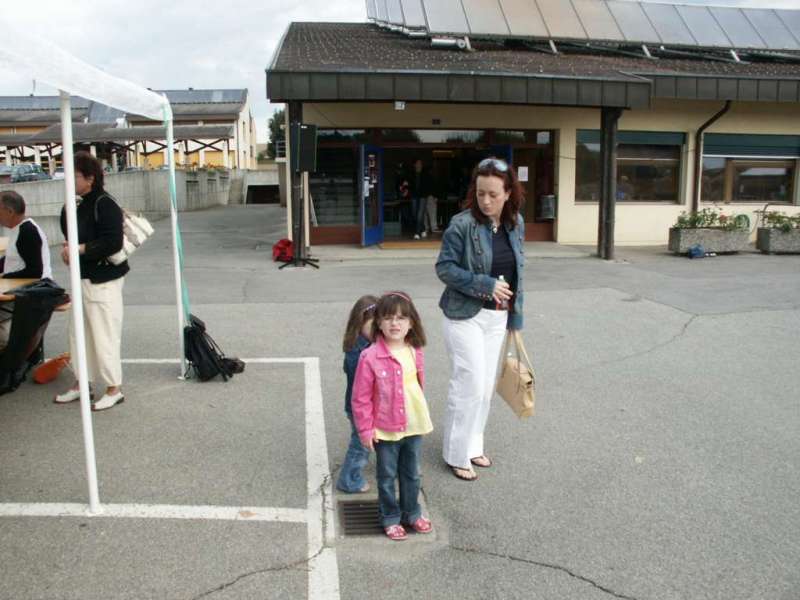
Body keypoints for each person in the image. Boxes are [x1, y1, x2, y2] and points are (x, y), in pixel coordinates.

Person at [435, 157, 525, 481]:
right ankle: (455, 454)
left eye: (493, 194)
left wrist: (516, 317)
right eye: (480, 193)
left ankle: (473, 446)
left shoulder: (516, 224)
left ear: (508, 193)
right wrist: (486, 285)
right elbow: (444, 268)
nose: (485, 201)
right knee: (469, 383)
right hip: (463, 316)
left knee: (485, 388)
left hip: (496, 319)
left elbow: (519, 274)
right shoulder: (461, 224)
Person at [351, 291, 434, 541]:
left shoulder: (414, 349)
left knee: (412, 473)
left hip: (414, 423)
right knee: (386, 475)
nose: (394, 323)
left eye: (401, 318)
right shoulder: (370, 356)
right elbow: (361, 398)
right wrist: (365, 431)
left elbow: (416, 385)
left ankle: (412, 512)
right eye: (388, 318)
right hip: (385, 428)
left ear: (411, 323)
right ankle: (390, 517)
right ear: (378, 322)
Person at [54, 151, 129, 412]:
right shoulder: (75, 204)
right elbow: (70, 236)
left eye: (74, 175)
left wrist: (80, 249)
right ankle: (81, 382)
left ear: (90, 177)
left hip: (103, 279)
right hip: (82, 277)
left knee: (104, 333)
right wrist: (70, 250)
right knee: (78, 333)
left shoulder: (105, 203)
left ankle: (113, 388)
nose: (70, 180)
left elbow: (113, 242)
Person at [336, 294, 378, 494]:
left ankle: (388, 466)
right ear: (360, 324)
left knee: (378, 437)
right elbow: (361, 385)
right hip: (359, 408)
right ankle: (349, 479)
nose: (378, 331)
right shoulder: (358, 351)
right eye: (373, 326)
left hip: (369, 406)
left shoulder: (366, 344)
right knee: (360, 444)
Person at [0, 190, 53, 349]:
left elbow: (35, 271)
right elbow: (13, 259)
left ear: (9, 211)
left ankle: (5, 346)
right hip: (25, 290)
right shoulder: (21, 229)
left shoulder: (27, 231)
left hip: (33, 293)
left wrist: (5, 277)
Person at [409, 159, 433, 240]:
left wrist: (428, 194)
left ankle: (417, 233)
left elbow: (429, 184)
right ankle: (423, 229)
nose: (419, 165)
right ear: (414, 165)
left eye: (420, 164)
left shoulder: (425, 174)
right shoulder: (411, 174)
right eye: (418, 163)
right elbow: (408, 184)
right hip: (414, 196)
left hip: (423, 196)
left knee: (420, 214)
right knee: (414, 214)